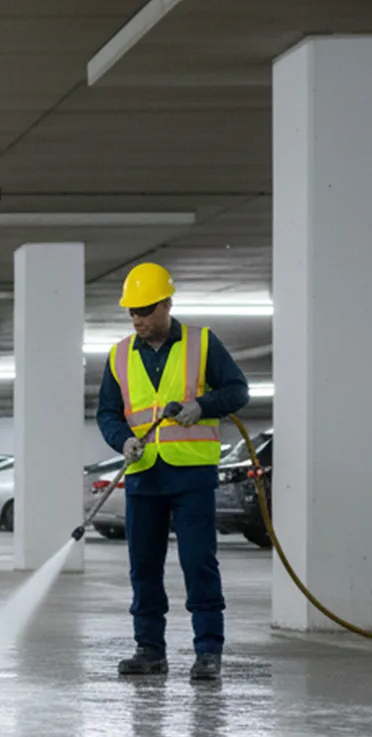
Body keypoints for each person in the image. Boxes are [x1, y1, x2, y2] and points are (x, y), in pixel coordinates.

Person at [97, 263, 250, 681]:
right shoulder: (119, 355)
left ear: (167, 303)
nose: (138, 319)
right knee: (143, 566)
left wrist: (203, 407)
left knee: (198, 562)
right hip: (144, 474)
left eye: (145, 310)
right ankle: (150, 650)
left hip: (191, 475)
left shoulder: (202, 343)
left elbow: (238, 390)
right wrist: (122, 441)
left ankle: (208, 652)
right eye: (132, 312)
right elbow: (108, 412)